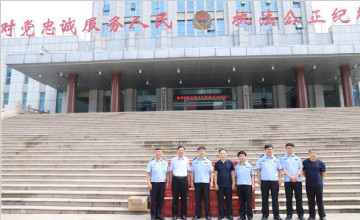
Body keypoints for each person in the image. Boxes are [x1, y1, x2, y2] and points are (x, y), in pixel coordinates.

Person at [256, 144, 283, 220]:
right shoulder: (261, 158)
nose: (269, 150)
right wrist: (259, 179)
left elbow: (280, 169)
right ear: (265, 150)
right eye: (268, 149)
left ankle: (276, 215)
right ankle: (265, 215)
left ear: (272, 150)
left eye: (270, 149)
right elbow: (258, 169)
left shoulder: (276, 159)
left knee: (275, 198)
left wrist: (280, 179)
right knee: (264, 198)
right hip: (264, 181)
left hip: (274, 181)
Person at [281, 143, 305, 220]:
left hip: (297, 180)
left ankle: (300, 215)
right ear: (286, 149)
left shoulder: (297, 158)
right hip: (288, 180)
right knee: (289, 198)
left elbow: (301, 168)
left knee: (299, 198)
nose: (290, 149)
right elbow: (283, 169)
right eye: (288, 148)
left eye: (291, 148)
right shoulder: (283, 158)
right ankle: (289, 215)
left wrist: (297, 176)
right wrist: (291, 177)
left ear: (293, 149)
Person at [146, 148, 170, 220]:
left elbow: (168, 173)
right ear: (155, 153)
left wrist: (168, 182)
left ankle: (158, 215)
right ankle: (153, 216)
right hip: (154, 183)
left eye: (160, 152)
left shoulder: (165, 162)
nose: (158, 153)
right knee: (153, 200)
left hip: (162, 183)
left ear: (162, 153)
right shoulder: (151, 162)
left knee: (160, 199)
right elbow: (148, 173)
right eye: (157, 152)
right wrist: (149, 183)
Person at [190, 146, 214, 220]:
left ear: (205, 152)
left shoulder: (208, 161)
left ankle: (208, 215)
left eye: (202, 151)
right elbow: (192, 173)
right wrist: (191, 182)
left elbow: (211, 172)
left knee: (207, 200)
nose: (201, 152)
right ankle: (197, 215)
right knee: (198, 199)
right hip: (197, 183)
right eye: (200, 151)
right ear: (198, 152)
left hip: (206, 183)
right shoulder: (194, 161)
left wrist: (212, 182)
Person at [302, 149, 327, 220]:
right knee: (310, 201)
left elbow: (323, 173)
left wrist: (320, 180)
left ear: (316, 154)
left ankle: (322, 216)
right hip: (309, 185)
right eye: (311, 153)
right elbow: (304, 171)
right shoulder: (305, 162)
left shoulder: (320, 163)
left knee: (320, 201)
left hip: (318, 185)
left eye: (314, 153)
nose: (312, 154)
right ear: (309, 154)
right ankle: (312, 216)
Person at [170, 146, 190, 220]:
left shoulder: (186, 159)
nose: (181, 151)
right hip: (175, 180)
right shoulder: (173, 160)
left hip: (184, 180)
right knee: (175, 198)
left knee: (184, 199)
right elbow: (171, 171)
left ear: (184, 151)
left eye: (182, 150)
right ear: (177, 151)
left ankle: (183, 214)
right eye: (179, 150)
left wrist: (188, 181)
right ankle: (174, 214)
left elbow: (188, 171)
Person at [214, 149, 235, 220]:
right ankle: (221, 214)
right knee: (220, 201)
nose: (223, 155)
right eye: (221, 153)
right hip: (220, 185)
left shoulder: (230, 163)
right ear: (219, 155)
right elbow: (215, 174)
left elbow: (232, 173)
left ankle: (229, 214)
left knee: (229, 200)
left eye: (224, 153)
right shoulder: (217, 163)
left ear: (226, 154)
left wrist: (233, 183)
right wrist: (215, 184)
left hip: (228, 185)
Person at [235, 151, 255, 220]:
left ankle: (250, 216)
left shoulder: (249, 165)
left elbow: (252, 175)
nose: (242, 157)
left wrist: (253, 184)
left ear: (245, 157)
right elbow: (235, 176)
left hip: (248, 185)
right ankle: (242, 216)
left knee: (249, 202)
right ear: (238, 157)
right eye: (240, 156)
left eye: (243, 155)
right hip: (239, 185)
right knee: (241, 202)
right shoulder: (236, 166)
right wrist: (235, 184)